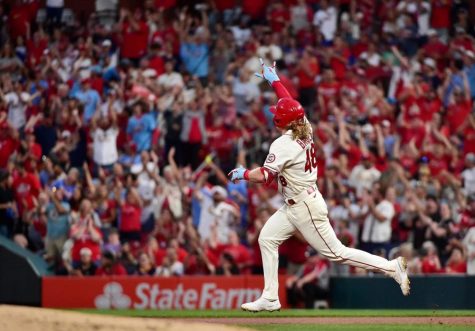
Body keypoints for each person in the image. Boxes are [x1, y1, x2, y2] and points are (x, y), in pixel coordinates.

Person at [228, 59, 410, 312]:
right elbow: (295, 108)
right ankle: (270, 297)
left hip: (305, 206)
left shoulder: (283, 144)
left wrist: (244, 173)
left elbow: (264, 177)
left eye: (277, 115)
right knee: (267, 238)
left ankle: (392, 268)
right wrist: (276, 82)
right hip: (297, 202)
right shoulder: (306, 128)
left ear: (282, 122)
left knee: (337, 253)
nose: (275, 117)